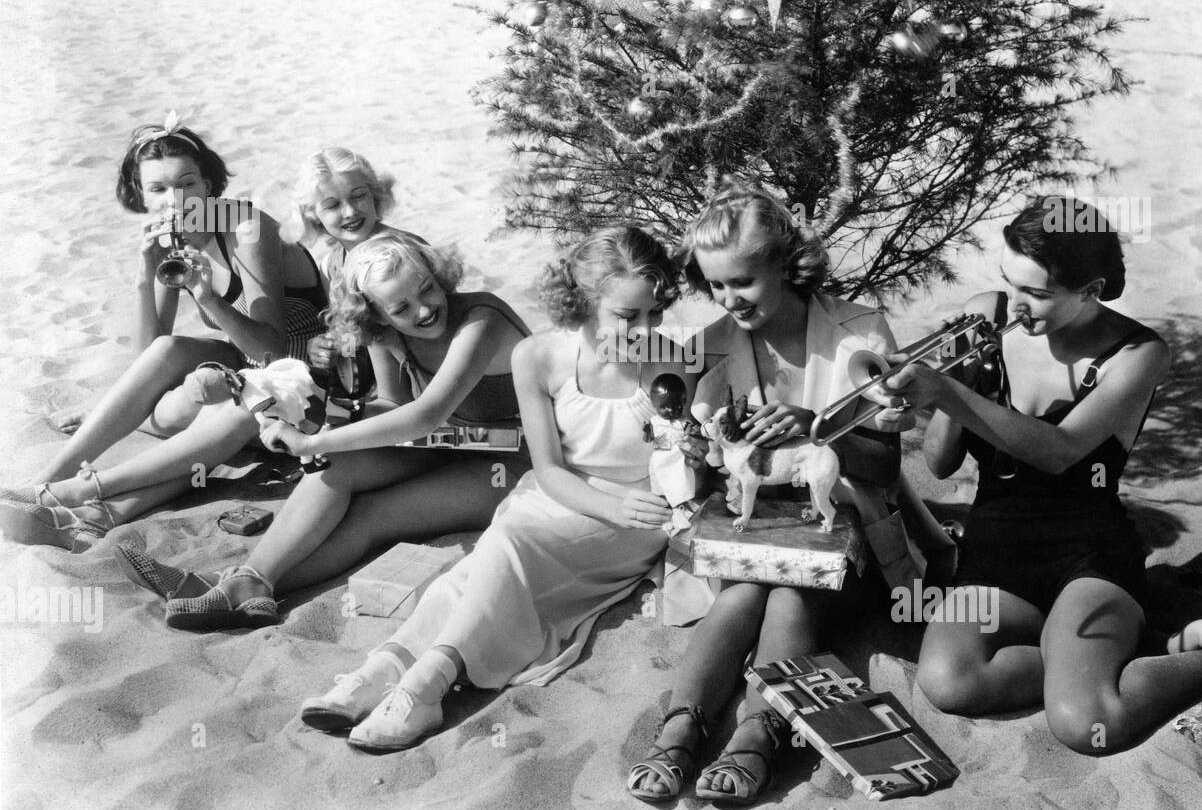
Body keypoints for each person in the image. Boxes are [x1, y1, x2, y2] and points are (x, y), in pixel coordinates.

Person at [888, 197, 1202, 755]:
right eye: (1011, 283)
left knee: (1084, 724)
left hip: (1088, 557)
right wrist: (959, 382)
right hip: (995, 553)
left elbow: (1059, 450)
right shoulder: (989, 313)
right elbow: (940, 463)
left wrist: (948, 391)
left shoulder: (1139, 353)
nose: (1017, 306)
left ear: (1091, 290)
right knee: (950, 683)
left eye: (1038, 294)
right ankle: (1127, 645)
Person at [291, 225, 695, 753]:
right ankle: (385, 666)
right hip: (556, 495)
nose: (643, 329)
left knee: (501, 549)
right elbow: (548, 469)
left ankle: (427, 681)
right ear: (582, 303)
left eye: (653, 313)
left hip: (630, 521)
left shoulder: (674, 363)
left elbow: (676, 471)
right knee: (474, 570)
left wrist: (682, 469)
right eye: (626, 317)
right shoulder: (538, 357)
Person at [627, 182, 913, 806]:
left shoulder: (858, 332)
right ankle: (683, 724)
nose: (730, 300)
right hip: (753, 535)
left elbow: (885, 466)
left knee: (787, 593)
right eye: (717, 286)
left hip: (848, 534)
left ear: (786, 263)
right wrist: (697, 450)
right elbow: (693, 446)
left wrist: (816, 423)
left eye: (745, 283)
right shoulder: (714, 342)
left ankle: (760, 733)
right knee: (747, 590)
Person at [117, 230, 533, 631]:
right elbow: (391, 406)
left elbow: (425, 414)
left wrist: (313, 441)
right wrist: (307, 409)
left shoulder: (481, 321)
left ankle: (226, 584)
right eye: (400, 308)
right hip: (450, 445)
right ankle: (247, 580)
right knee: (335, 466)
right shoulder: (386, 332)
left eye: (426, 289)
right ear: (375, 313)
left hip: (514, 463)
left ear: (437, 274)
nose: (422, 310)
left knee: (374, 514)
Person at [1, 118, 328, 550]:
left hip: (307, 378)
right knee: (171, 360)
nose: (175, 199)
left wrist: (207, 297)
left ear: (209, 184)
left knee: (192, 415)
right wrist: (144, 274)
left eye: (186, 183)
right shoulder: (171, 237)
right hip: (248, 373)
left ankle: (92, 499)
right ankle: (49, 481)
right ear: (140, 195)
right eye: (158, 189)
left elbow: (270, 349)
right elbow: (151, 356)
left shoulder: (246, 226)